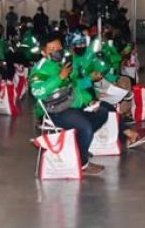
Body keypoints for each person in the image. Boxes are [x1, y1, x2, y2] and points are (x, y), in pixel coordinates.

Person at [29, 36, 111, 176]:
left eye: (59, 48)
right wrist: (59, 78)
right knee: (85, 127)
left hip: (70, 105)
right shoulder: (41, 69)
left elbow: (74, 86)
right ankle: (82, 163)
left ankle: (78, 149)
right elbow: (37, 92)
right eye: (52, 49)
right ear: (43, 52)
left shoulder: (63, 63)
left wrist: (88, 100)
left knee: (102, 112)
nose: (57, 51)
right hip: (54, 110)